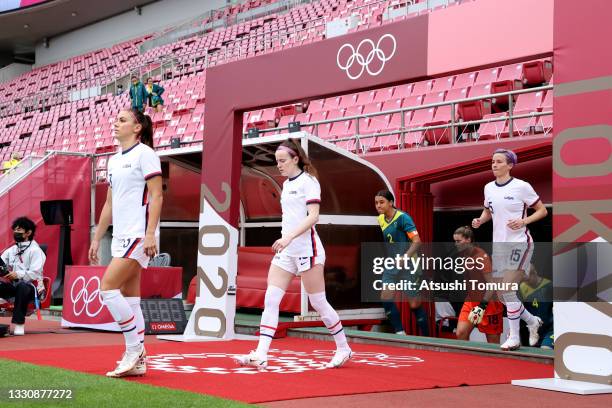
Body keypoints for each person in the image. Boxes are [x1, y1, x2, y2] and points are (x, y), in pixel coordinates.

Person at [234, 139, 352, 370]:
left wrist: (288, 237)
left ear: (295, 159)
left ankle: (343, 347)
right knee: (271, 298)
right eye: (277, 161)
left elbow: (313, 216)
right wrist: (286, 240)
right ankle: (261, 353)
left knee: (318, 302)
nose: (279, 165)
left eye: (283, 161)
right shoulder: (287, 184)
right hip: (287, 253)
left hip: (307, 250)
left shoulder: (309, 182)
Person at [88, 108, 163, 377]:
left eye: (122, 120)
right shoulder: (114, 160)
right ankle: (138, 361)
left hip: (139, 235)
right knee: (131, 300)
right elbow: (109, 203)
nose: (116, 124)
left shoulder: (146, 154)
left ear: (137, 127)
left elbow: (157, 196)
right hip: (120, 236)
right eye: (116, 119)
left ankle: (134, 350)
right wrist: (97, 238)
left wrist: (151, 233)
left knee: (107, 288)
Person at [472, 148, 548, 350]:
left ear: (510, 165)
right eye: (492, 161)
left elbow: (542, 210)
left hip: (519, 243)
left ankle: (514, 337)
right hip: (499, 247)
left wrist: (524, 221)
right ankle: (532, 321)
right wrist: (481, 220)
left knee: (507, 289)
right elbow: (489, 210)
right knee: (502, 295)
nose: (494, 165)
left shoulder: (521, 187)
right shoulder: (488, 187)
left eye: (498, 161)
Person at [374, 190, 428, 336]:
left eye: (381, 202)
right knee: (385, 296)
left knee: (414, 304)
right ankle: (400, 333)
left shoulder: (403, 218)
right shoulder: (380, 219)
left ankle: (427, 337)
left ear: (391, 203)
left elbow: (417, 242)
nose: (378, 205)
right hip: (392, 264)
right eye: (376, 203)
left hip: (409, 264)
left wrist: (404, 257)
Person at [453, 226, 503, 344]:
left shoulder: (481, 257)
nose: (456, 244)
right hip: (471, 300)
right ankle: (466, 362)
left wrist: (482, 306)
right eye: (455, 241)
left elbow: (491, 285)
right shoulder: (463, 254)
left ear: (468, 240)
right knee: (460, 333)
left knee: (493, 344)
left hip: (489, 303)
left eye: (458, 241)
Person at [0, 217, 46, 336]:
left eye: (19, 230)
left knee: (22, 286)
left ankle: (19, 324)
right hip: (13, 286)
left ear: (28, 233)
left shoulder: (36, 251)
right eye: (14, 230)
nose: (16, 232)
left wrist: (18, 274)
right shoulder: (12, 250)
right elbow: (2, 263)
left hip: (31, 288)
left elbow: (35, 273)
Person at [519, 264, 554, 349]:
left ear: (534, 273)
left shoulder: (549, 286)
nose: (526, 282)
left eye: (527, 279)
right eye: (524, 280)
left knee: (545, 350)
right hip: (534, 332)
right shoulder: (522, 288)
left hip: (550, 330)